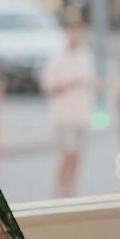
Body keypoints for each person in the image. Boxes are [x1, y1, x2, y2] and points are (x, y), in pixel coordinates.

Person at [40, 18, 97, 198]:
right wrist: (70, 84)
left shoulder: (86, 56)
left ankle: (71, 190)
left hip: (82, 115)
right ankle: (60, 192)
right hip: (64, 116)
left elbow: (90, 81)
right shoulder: (57, 58)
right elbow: (48, 87)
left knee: (77, 156)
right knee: (67, 155)